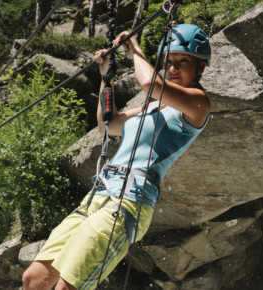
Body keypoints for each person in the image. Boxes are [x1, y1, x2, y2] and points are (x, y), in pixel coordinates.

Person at [22, 24, 211, 290]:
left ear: (200, 68)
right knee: (33, 279)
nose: (173, 68)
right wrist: (106, 76)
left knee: (67, 286)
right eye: (168, 62)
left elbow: (149, 83)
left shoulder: (199, 104)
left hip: (129, 203)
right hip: (99, 195)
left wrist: (135, 50)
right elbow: (108, 124)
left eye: (183, 62)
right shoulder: (154, 106)